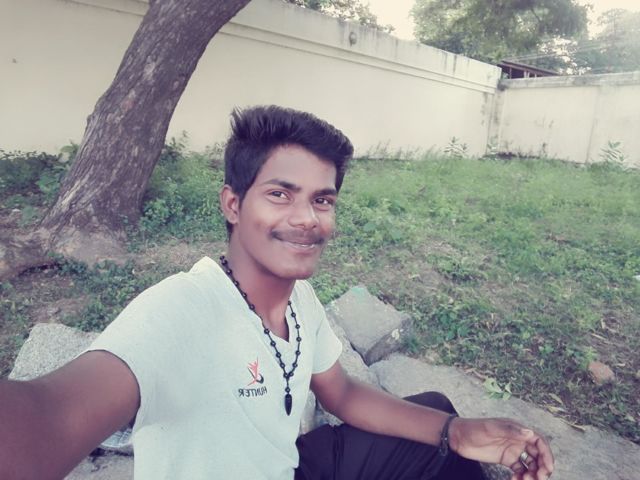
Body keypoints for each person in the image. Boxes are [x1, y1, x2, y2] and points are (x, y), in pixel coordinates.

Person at [0, 105, 554, 480]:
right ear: (233, 204)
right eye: (280, 194)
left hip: (286, 467)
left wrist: (458, 432)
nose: (307, 218)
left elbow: (342, 393)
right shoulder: (181, 310)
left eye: (322, 200)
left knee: (437, 415)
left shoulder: (299, 298)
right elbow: (47, 417)